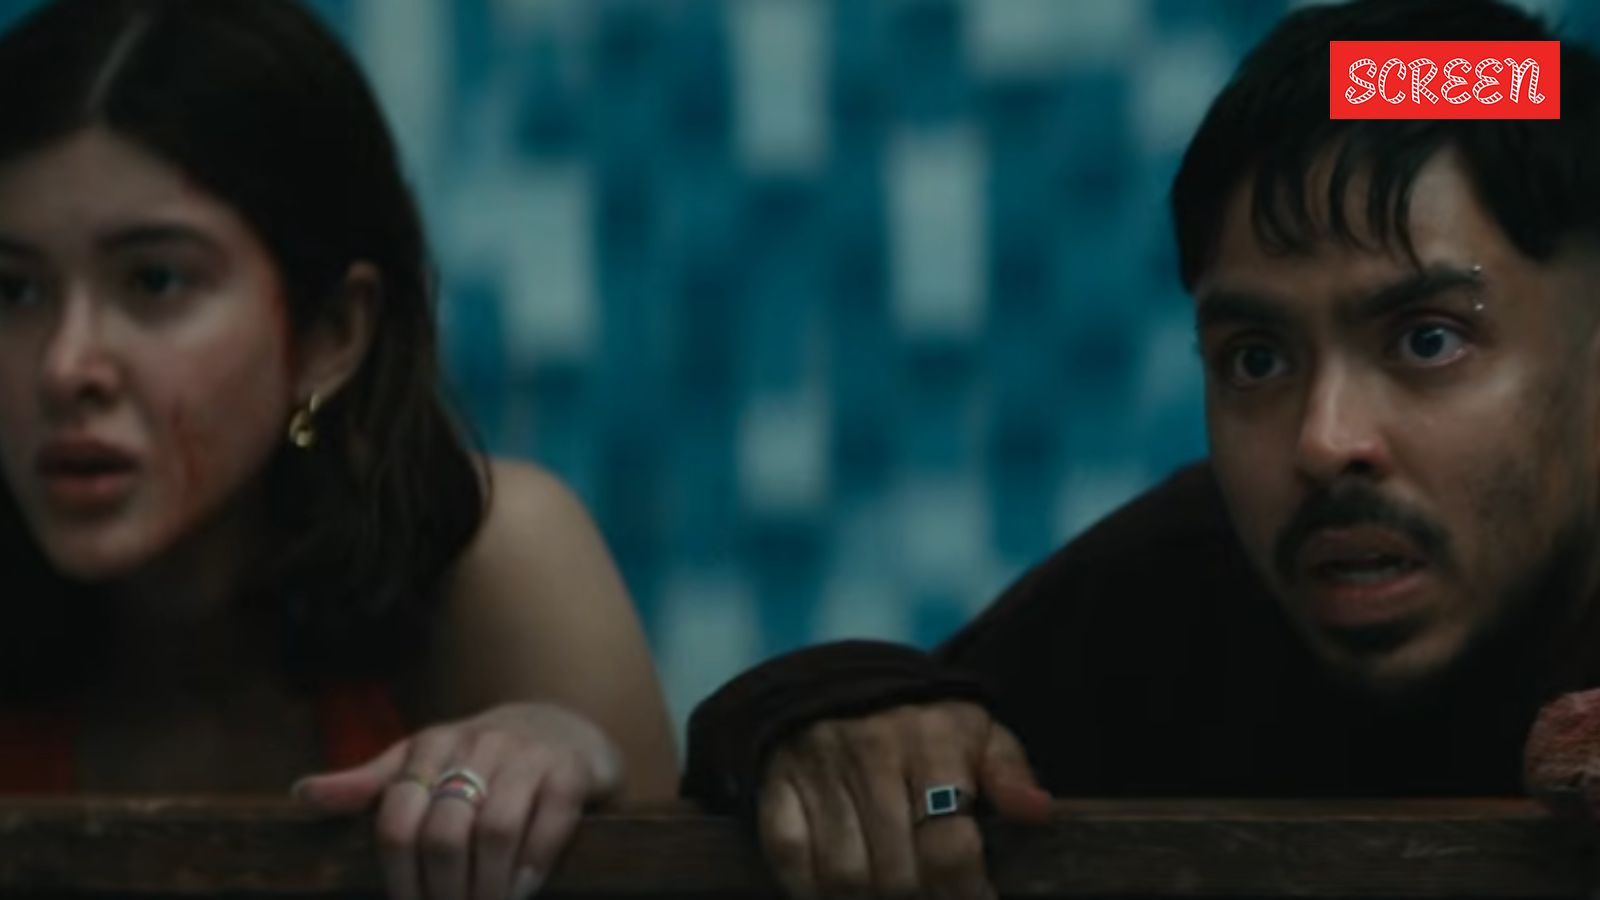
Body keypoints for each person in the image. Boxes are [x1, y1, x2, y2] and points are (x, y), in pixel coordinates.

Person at [681, 1, 1600, 898]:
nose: (1324, 441)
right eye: (1257, 359)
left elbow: (1538, 90)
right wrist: (845, 739)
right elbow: (868, 712)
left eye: (1428, 340)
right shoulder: (1182, 589)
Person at [0, 1, 678, 898]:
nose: (66, 367)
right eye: (13, 291)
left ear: (332, 333)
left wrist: (549, 752)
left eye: (155, 280)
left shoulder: (482, 557)